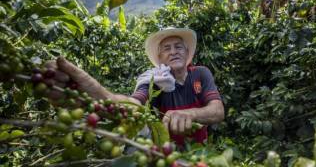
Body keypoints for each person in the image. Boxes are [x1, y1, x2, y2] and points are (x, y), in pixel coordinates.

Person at [45, 28, 224, 146]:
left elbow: (217, 110)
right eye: (166, 49)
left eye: (178, 47)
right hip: (166, 151)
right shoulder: (153, 80)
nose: (173, 51)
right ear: (159, 58)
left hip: (199, 149)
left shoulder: (201, 73)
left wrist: (191, 114)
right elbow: (133, 103)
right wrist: (97, 94)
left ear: (187, 53)